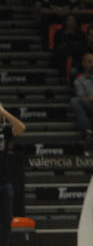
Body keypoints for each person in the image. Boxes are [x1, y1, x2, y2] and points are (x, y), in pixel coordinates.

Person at [0, 103, 25, 246]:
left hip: (4, 182)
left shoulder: (5, 130)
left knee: (6, 220)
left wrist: (5, 113)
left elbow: (21, 127)